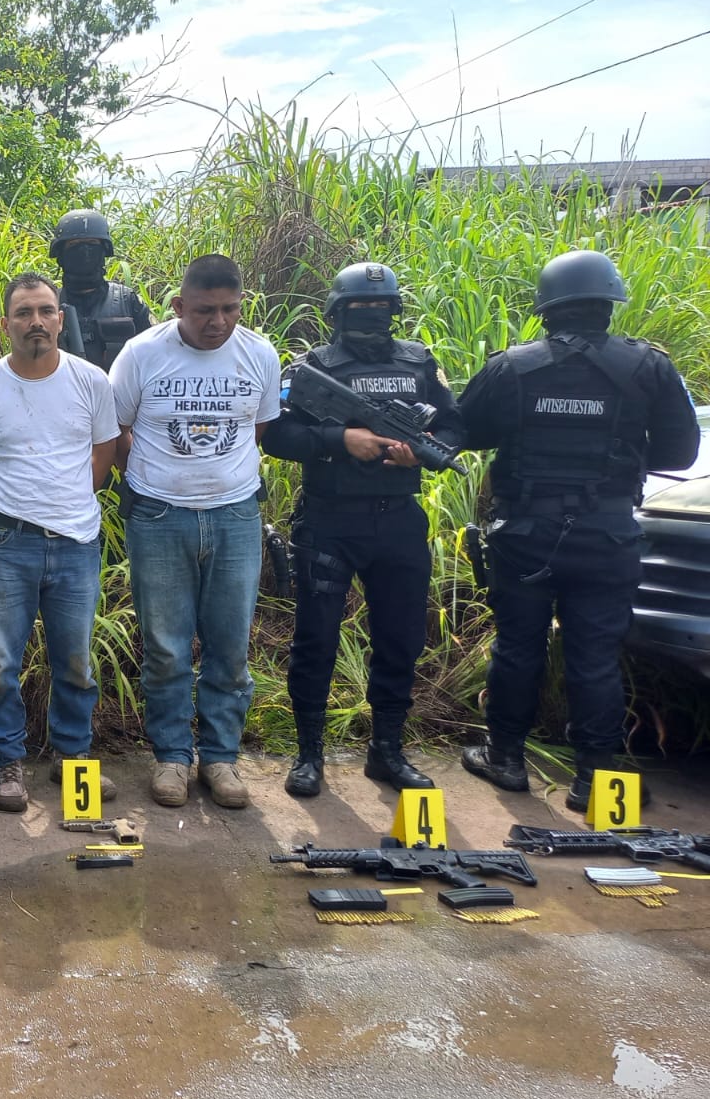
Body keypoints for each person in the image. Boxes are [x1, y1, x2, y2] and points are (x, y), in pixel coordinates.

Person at [456, 249, 699, 812]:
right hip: (608, 535)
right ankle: (596, 779)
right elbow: (680, 452)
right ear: (609, 304)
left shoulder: (512, 366)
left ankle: (507, 759)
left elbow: (462, 433)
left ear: (547, 308)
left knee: (518, 648)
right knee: (595, 654)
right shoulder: (650, 367)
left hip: (524, 534)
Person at [261, 263, 465, 797]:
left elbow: (454, 423)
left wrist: (418, 449)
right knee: (316, 640)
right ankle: (309, 756)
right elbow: (278, 434)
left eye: (381, 310)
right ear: (336, 313)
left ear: (395, 312)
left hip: (397, 519)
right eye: (359, 311)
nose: (372, 319)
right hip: (330, 519)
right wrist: (339, 439)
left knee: (400, 639)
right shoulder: (312, 368)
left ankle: (387, 751)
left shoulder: (419, 363)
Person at [110, 254, 281, 808]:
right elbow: (116, 429)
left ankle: (222, 758)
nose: (219, 322)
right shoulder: (141, 354)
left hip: (236, 516)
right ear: (179, 306)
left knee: (230, 647)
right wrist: (158, 480)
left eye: (230, 309)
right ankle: (171, 758)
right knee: (165, 647)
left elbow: (256, 428)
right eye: (205, 310)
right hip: (159, 518)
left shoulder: (259, 354)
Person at [0, 272, 120, 811]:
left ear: (61, 318)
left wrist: (64, 504)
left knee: (75, 661)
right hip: (9, 544)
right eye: (23, 313)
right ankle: (6, 764)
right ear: (5, 324)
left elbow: (103, 456)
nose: (36, 322)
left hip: (77, 543)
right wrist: (13, 509)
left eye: (46, 311)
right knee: (1, 661)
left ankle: (72, 761)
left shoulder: (92, 382)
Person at [51, 208, 152, 371]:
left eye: (92, 245)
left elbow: (154, 356)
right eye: (75, 246)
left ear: (104, 251)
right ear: (61, 255)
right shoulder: (48, 305)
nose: (84, 252)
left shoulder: (128, 301)